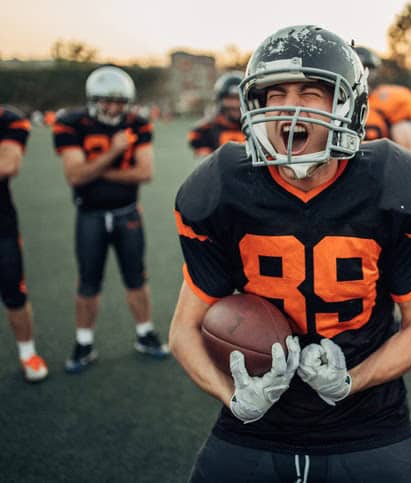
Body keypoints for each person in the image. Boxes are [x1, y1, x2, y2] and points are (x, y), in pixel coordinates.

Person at [170, 25, 411, 482]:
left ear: (349, 104)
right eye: (274, 93)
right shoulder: (221, 186)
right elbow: (183, 332)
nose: (290, 108)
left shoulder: (396, 184)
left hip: (368, 420)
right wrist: (236, 398)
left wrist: (350, 382)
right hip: (257, 425)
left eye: (312, 92)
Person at [53, 65, 169, 373]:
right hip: (89, 215)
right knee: (88, 282)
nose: (114, 107)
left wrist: (96, 171)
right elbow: (74, 175)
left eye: (119, 102)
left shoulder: (138, 124)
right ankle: (84, 342)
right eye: (107, 101)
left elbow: (145, 172)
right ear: (94, 99)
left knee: (136, 278)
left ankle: (145, 334)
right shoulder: (70, 123)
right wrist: (114, 153)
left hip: (127, 213)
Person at [0, 105, 49, 382]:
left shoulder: (8, 119)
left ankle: (27, 352)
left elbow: (8, 164)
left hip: (2, 225)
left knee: (14, 290)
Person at [353, 45, 411, 152]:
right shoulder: (334, 101)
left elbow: (405, 152)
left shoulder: (392, 100)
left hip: (381, 165)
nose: (363, 76)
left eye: (368, 70)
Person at [188, 71, 246, 158]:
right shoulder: (204, 131)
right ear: (220, 100)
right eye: (230, 98)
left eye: (239, 98)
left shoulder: (256, 127)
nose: (235, 104)